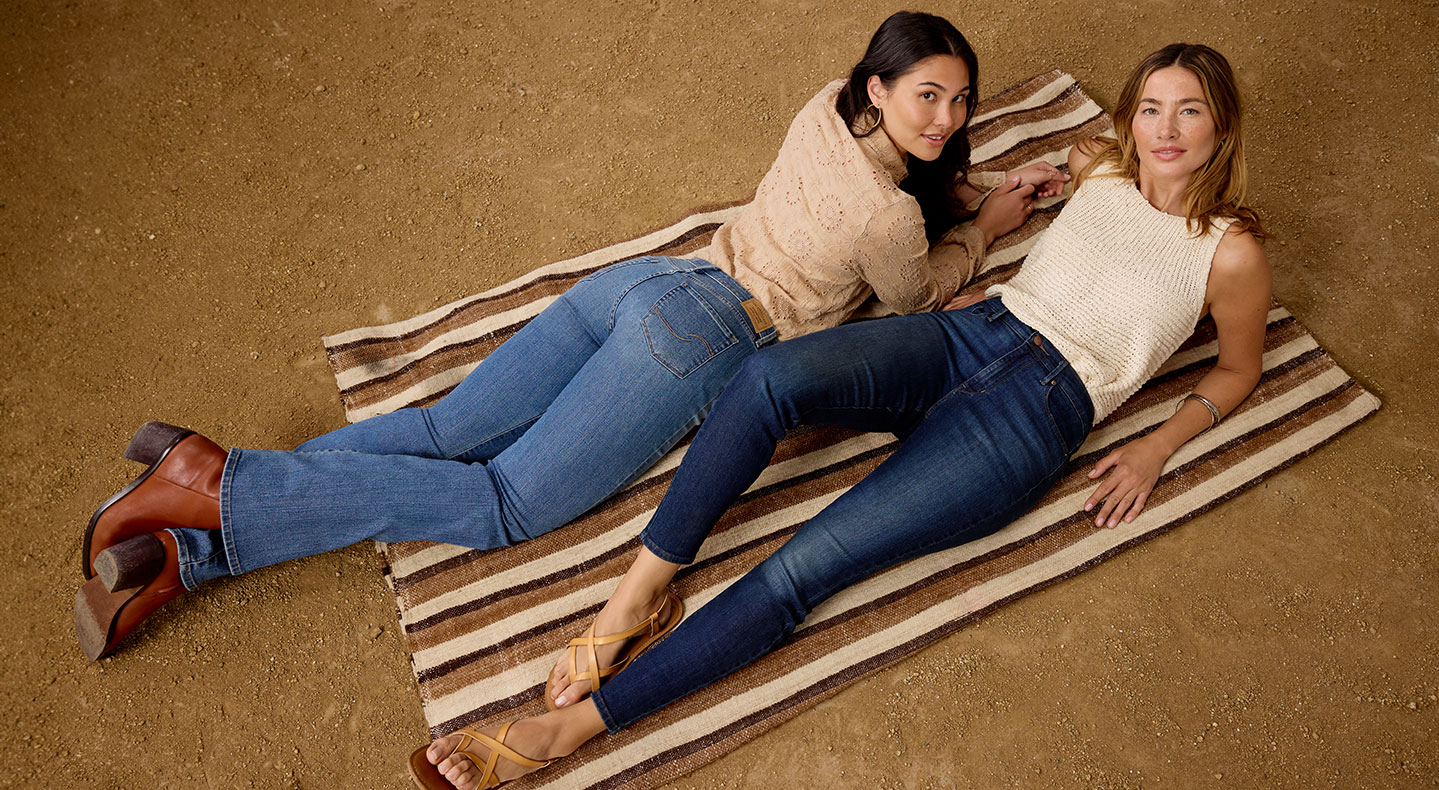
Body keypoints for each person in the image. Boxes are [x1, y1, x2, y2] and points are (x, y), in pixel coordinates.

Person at [73, 11, 1066, 661]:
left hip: (645, 282)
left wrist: (964, 186)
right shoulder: (891, 222)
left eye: (960, 100)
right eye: (927, 95)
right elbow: (915, 295)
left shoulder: (823, 110)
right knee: (504, 500)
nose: (946, 116)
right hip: (706, 337)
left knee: (442, 429)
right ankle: (220, 483)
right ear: (880, 91)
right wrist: (982, 225)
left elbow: (896, 188)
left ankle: (188, 541)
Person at [410, 41, 1272, 790]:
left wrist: (1159, 446)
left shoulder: (1229, 251)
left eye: (1187, 112)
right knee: (769, 379)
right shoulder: (1107, 165)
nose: (1163, 130)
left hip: (1032, 419)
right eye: (1149, 108)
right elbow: (1083, 162)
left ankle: (571, 728)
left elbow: (1237, 368)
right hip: (971, 331)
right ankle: (635, 598)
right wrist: (1014, 199)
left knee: (804, 566)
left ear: (1219, 128)